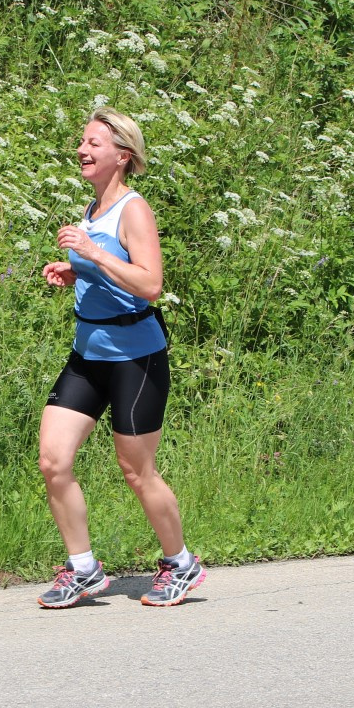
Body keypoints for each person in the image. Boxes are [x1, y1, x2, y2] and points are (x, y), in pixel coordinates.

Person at [36, 107, 205, 609]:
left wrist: (93, 253)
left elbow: (150, 284)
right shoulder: (93, 208)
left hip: (136, 358)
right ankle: (83, 569)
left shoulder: (134, 209)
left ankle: (181, 563)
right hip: (88, 354)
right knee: (53, 461)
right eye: (82, 141)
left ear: (123, 155)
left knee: (137, 471)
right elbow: (113, 274)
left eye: (94, 143)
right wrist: (76, 270)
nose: (82, 150)